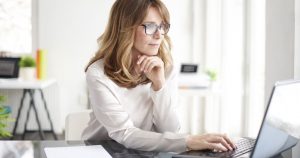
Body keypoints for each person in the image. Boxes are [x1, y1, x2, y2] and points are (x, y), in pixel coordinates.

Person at [82, 0, 236, 153]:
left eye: (162, 26)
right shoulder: (98, 74)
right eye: (150, 26)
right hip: (101, 150)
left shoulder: (165, 68)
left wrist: (159, 85)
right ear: (125, 28)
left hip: (143, 151)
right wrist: (188, 140)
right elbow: (125, 133)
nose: (159, 34)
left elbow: (170, 129)